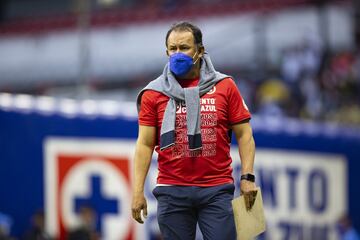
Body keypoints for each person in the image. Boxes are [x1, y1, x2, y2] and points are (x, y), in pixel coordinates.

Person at [132, 21, 257, 240]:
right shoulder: (153, 93)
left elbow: (245, 134)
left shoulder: (225, 86)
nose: (178, 54)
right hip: (171, 191)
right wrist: (137, 191)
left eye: (184, 47)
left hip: (216, 189)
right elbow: (144, 144)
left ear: (200, 50)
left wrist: (247, 177)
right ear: (167, 51)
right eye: (173, 49)